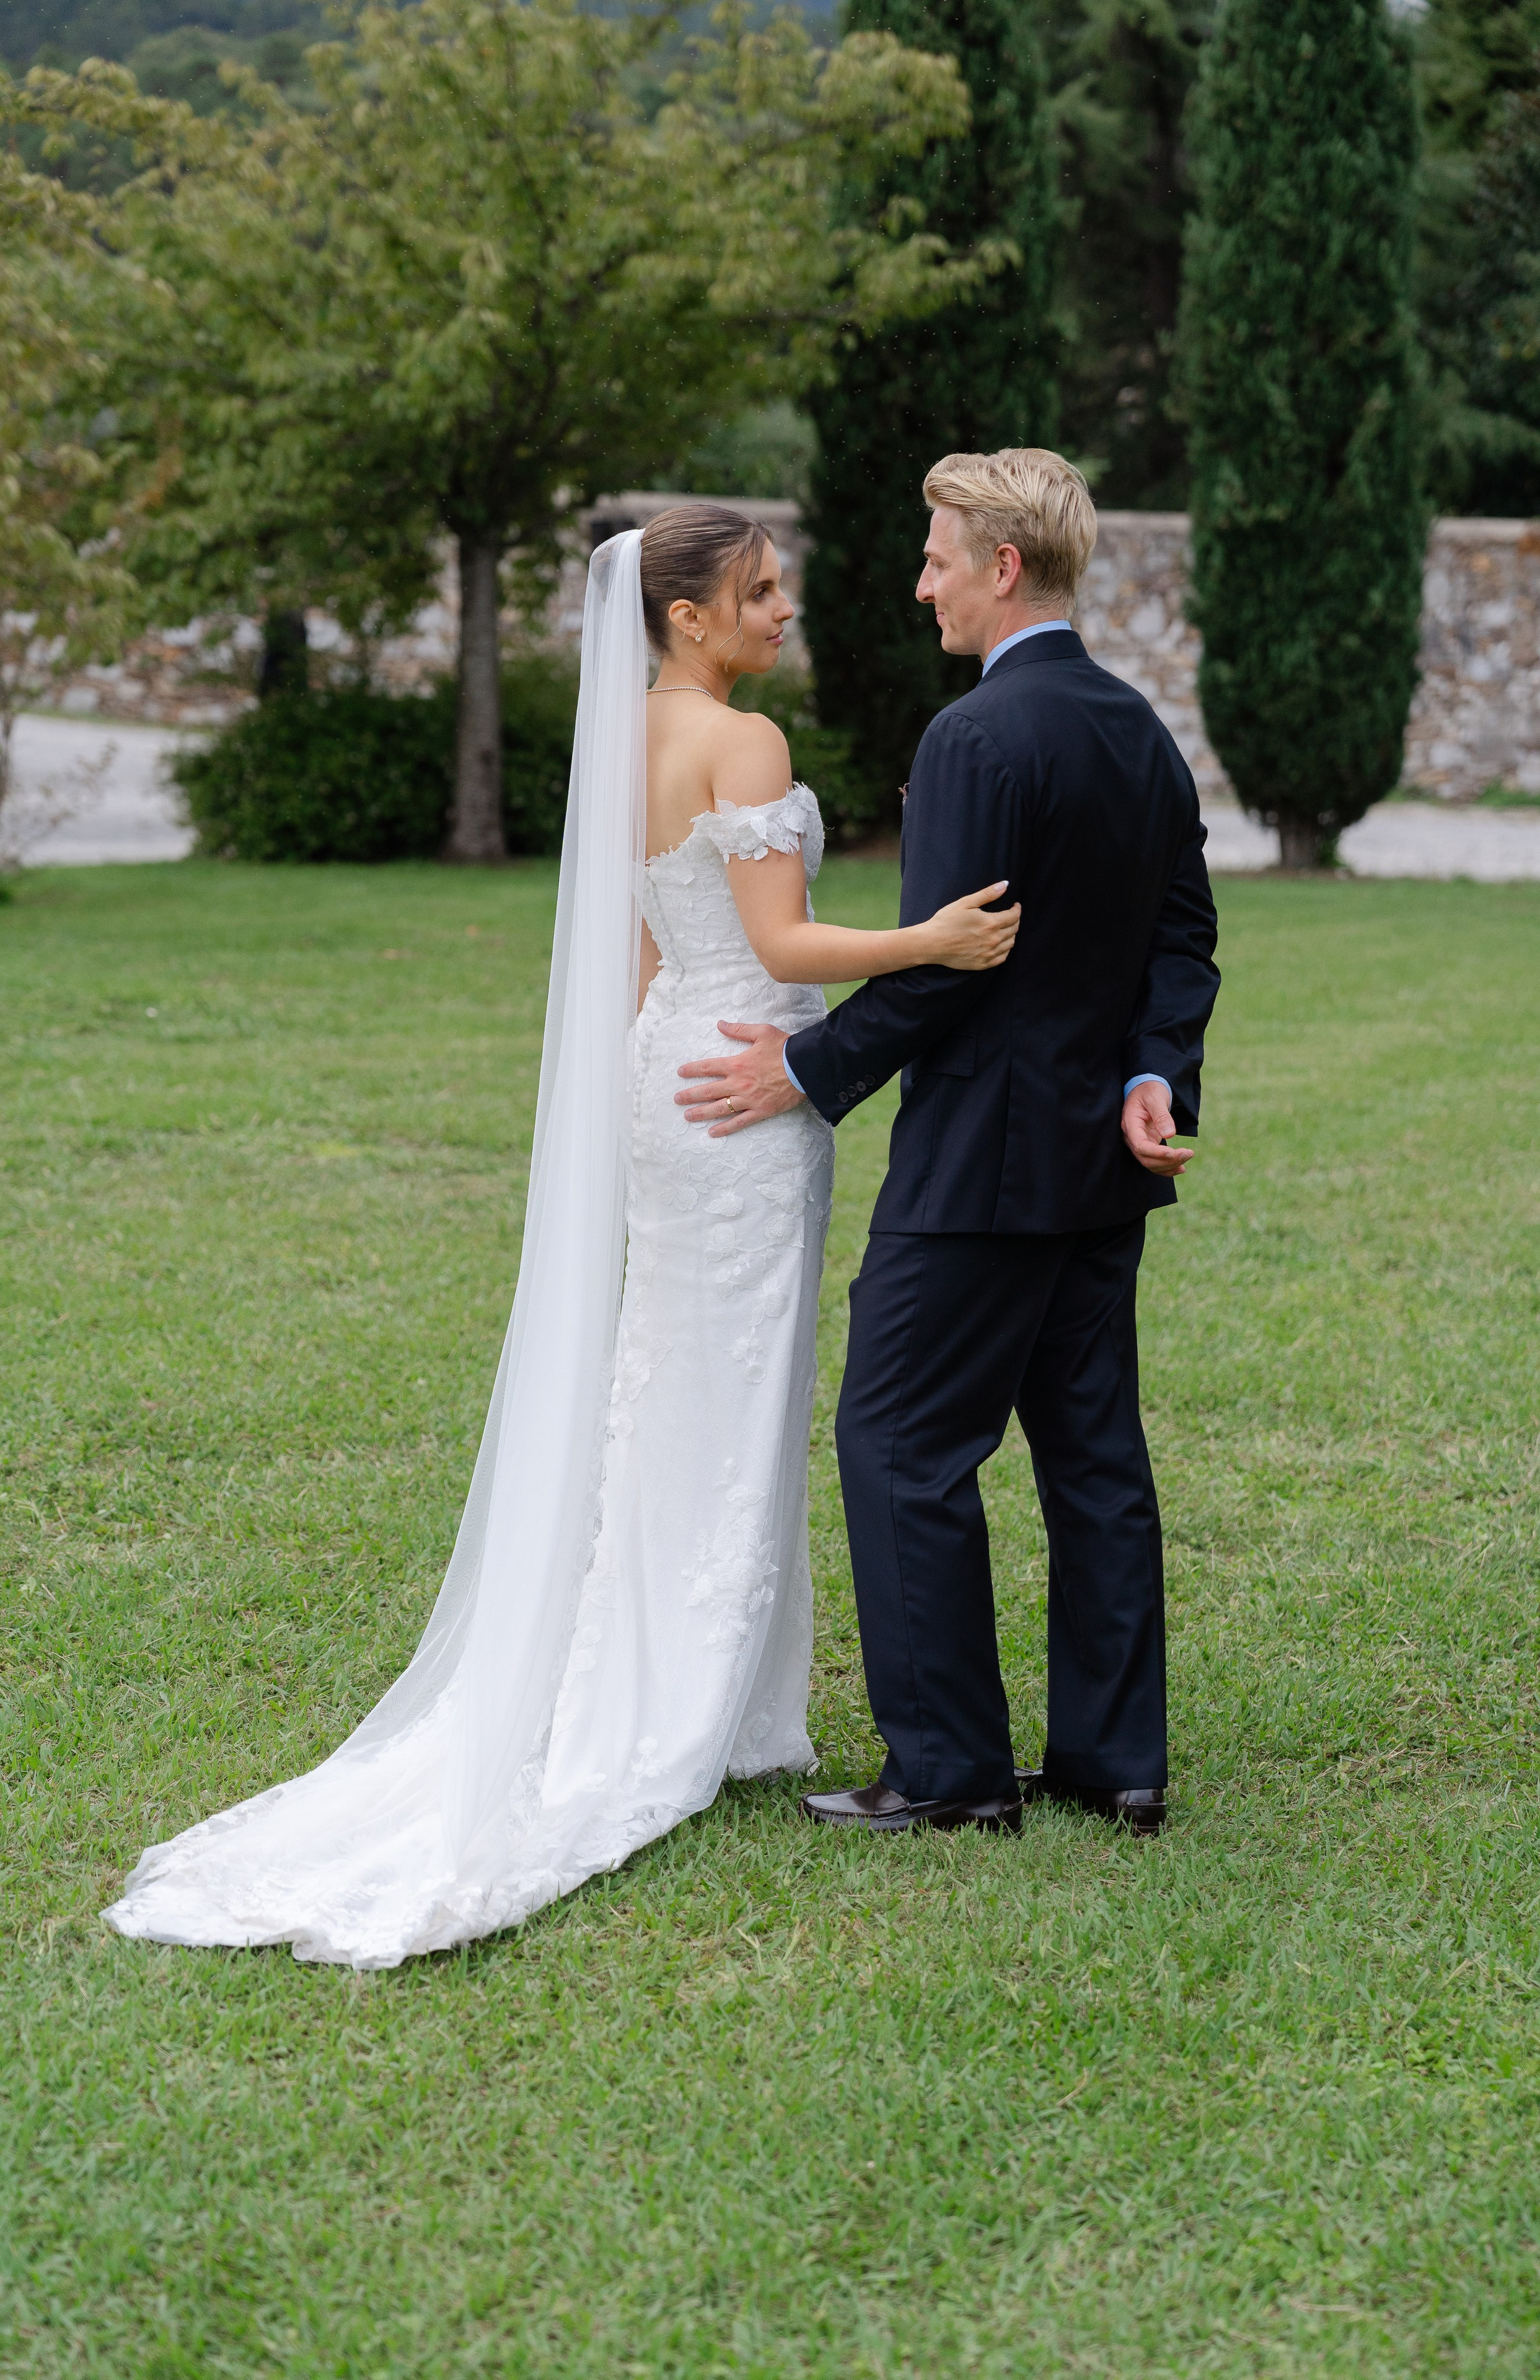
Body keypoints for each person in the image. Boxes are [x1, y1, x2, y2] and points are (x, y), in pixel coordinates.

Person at [101, 503, 1018, 1967]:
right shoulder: (743, 746)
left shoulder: (631, 742)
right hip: (746, 1096)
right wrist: (929, 943)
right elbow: (781, 951)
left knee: (673, 1384)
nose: (783, 610)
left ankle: (697, 1686)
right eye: (758, 592)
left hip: (672, 1077)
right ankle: (675, 1702)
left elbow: (651, 950)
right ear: (686, 618)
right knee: (726, 1396)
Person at [676, 449, 1221, 1838]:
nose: (916, 582)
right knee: (1092, 1458)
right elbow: (1180, 937)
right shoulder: (1136, 730)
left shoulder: (972, 739)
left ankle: (947, 1772)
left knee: (897, 1440)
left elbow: (943, 966)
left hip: (977, 1168)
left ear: (1000, 568)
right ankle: (1115, 1764)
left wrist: (803, 1064)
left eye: (933, 559)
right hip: (1100, 1169)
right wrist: (1156, 1072)